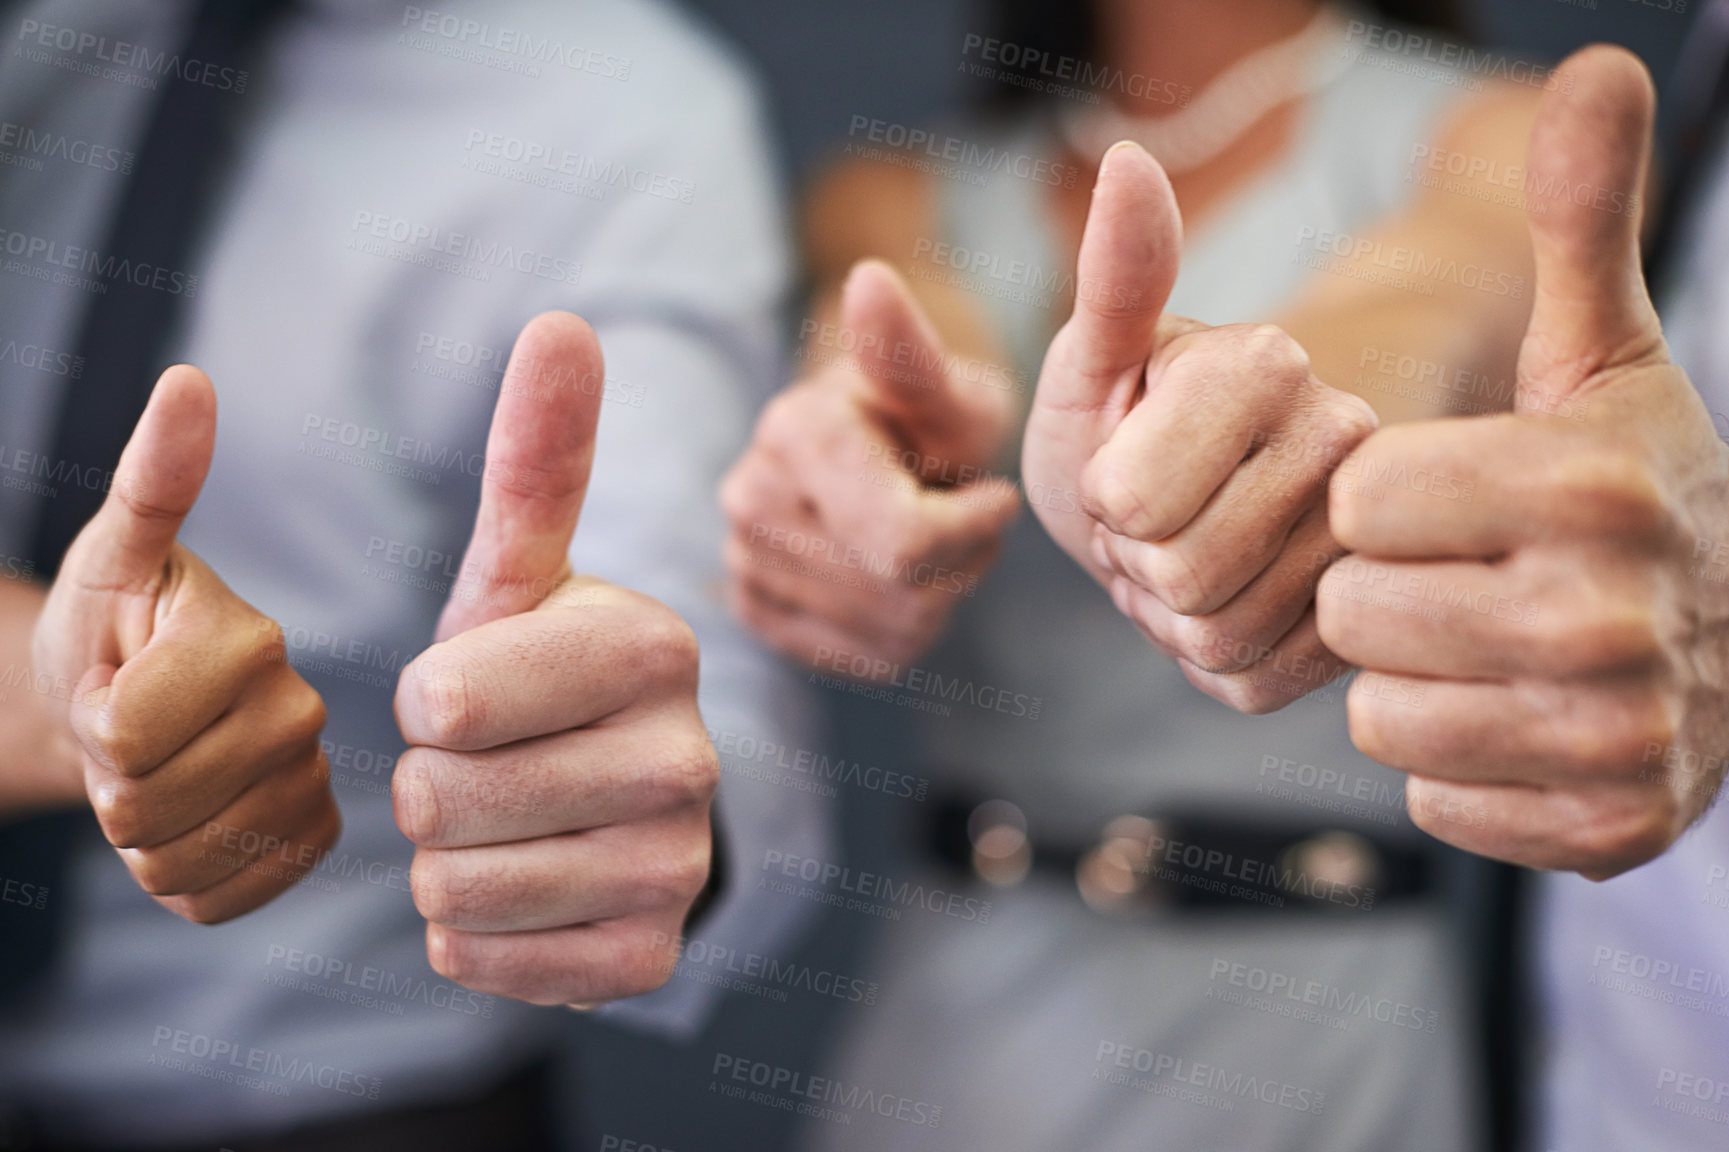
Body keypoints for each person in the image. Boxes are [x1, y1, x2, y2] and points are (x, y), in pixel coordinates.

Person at [0, 0, 828, 1147]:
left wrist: (627, 807)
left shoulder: (626, 113)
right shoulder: (51, 50)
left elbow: (693, 663)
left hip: (351, 1108)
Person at [723, 1, 1545, 1147]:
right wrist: (873, 449)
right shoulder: (897, 189)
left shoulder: (1503, 134)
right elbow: (909, 338)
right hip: (961, 1025)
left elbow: (1437, 296)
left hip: (1312, 1036)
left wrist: (1286, 403)